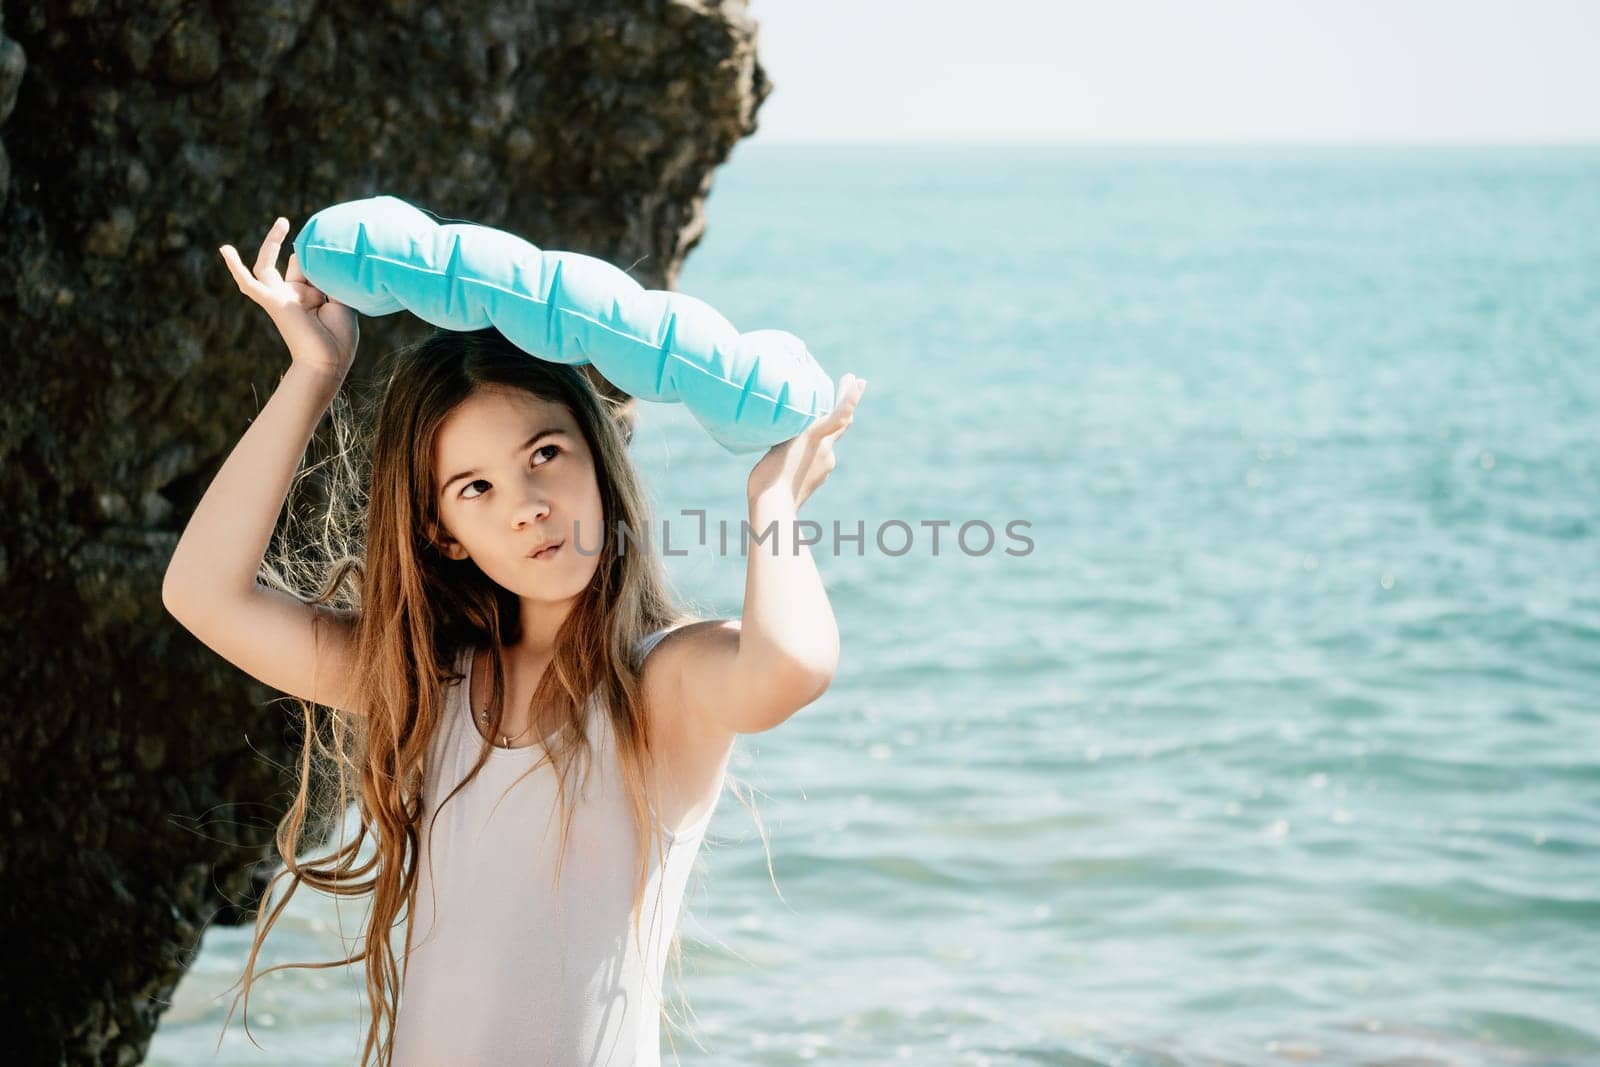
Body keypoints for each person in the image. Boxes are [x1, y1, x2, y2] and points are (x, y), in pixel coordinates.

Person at [162, 216, 868, 1066]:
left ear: (598, 460)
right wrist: (312, 376)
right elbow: (202, 593)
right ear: (444, 531)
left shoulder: (659, 681)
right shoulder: (431, 682)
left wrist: (774, 508)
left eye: (545, 452)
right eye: (475, 486)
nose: (526, 502)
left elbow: (791, 665)